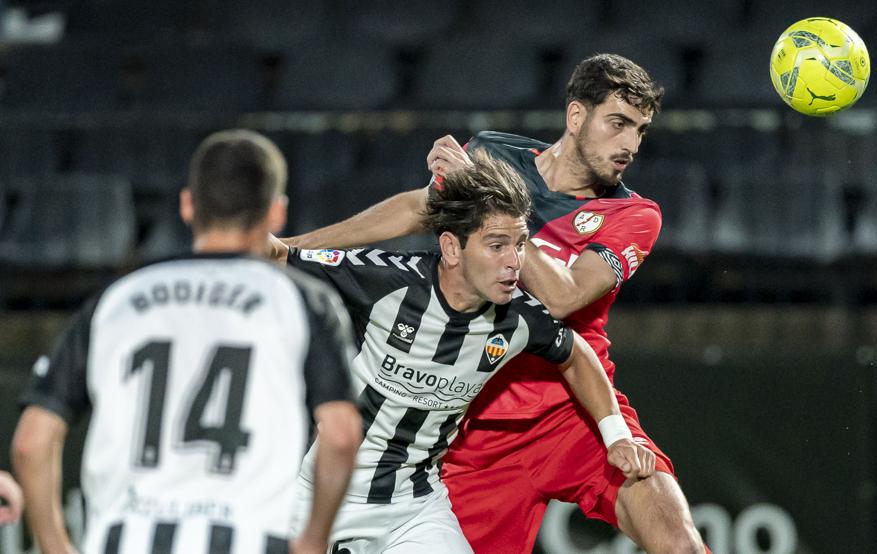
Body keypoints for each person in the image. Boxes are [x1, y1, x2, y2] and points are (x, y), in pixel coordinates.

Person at [281, 54, 707, 553]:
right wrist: (289, 250)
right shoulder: (492, 152)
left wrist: (486, 197)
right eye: (618, 124)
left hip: (573, 414)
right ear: (576, 117)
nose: (630, 145)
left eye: (640, 130)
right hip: (475, 431)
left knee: (680, 544)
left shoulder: (633, 214)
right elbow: (418, 209)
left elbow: (564, 296)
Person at [267, 150, 655, 553]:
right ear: (452, 248)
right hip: (320, 495)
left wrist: (617, 437)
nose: (514, 263)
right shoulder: (385, 280)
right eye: (497, 245)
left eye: (520, 244)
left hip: (413, 508)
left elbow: (576, 354)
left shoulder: (520, 316)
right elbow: (278, 257)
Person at [11, 129, 362, 554]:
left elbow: (32, 441)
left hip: (126, 541)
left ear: (187, 205)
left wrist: (56, 547)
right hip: (248, 540)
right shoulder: (301, 301)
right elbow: (341, 436)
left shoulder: (118, 299)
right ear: (276, 214)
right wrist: (313, 540)